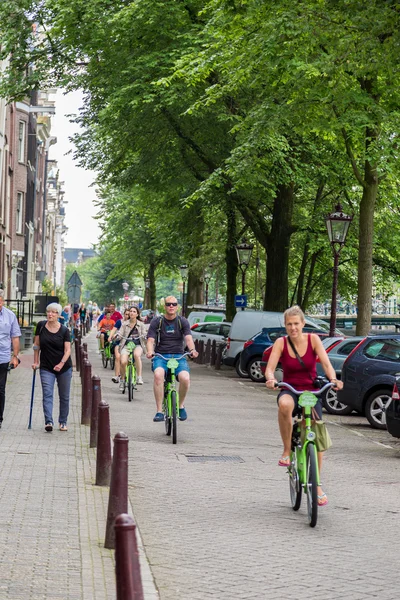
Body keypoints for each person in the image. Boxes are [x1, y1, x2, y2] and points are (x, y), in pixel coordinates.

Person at [265, 305, 343, 507]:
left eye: (296, 324)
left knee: (316, 437)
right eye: (289, 324)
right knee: (284, 404)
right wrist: (271, 379)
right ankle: (286, 450)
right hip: (290, 388)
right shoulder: (281, 343)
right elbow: (270, 368)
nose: (293, 328)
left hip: (310, 392)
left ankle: (316, 484)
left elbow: (326, 364)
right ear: (285, 325)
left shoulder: (313, 340)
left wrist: (333, 379)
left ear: (303, 324)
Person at [146, 295, 198, 422]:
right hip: (161, 356)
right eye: (169, 304)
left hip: (179, 357)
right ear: (164, 306)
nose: (171, 306)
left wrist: (192, 350)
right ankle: (159, 411)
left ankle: (180, 405)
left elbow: (188, 338)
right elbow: (150, 340)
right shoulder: (157, 321)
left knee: (185, 378)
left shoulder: (183, 321)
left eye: (174, 304)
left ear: (177, 306)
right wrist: (150, 351)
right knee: (158, 375)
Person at [32, 302, 73, 432]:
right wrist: (35, 361)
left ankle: (63, 421)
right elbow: (36, 345)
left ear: (58, 315)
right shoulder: (41, 326)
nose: (50, 314)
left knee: (64, 396)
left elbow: (68, 350)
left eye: (54, 312)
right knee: (47, 393)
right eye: (49, 311)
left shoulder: (64, 330)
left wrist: (61, 364)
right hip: (46, 366)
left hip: (64, 367)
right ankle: (48, 421)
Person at [0, 290, 21, 429]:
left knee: (0, 389)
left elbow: (15, 337)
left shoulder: (10, 315)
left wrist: (15, 357)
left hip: (2, 357)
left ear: (2, 301)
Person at [117, 305, 147, 388]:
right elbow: (120, 333)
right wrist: (117, 336)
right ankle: (122, 380)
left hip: (137, 345)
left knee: (137, 355)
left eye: (134, 311)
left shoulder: (141, 324)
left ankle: (139, 377)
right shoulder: (124, 324)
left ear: (137, 314)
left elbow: (144, 333)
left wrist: (145, 336)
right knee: (123, 362)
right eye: (131, 311)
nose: (132, 313)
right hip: (126, 345)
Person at [109, 308, 130, 384]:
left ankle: (129, 374)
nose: (127, 316)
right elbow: (113, 330)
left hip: (129, 343)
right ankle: (117, 375)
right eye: (126, 314)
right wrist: (110, 336)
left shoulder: (133, 323)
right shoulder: (119, 322)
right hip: (119, 342)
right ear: (123, 314)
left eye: (129, 314)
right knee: (118, 357)